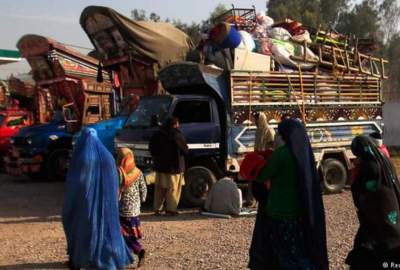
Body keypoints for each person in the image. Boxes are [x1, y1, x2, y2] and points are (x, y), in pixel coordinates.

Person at [253, 118, 329, 270]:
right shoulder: (303, 153)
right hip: (299, 212)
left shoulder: (280, 155)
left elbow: (261, 176)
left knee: (284, 254)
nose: (276, 136)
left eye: (279, 133)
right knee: (297, 250)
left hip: (279, 213)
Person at [62, 128, 132, 270]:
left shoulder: (80, 157)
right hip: (108, 204)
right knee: (108, 229)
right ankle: (110, 258)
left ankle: (83, 258)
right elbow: (114, 181)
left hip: (84, 204)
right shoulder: (107, 156)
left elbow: (75, 184)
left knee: (84, 228)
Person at [346, 135, 400, 269]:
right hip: (389, 210)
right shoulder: (383, 159)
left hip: (378, 216)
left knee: (377, 248)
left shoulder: (370, 166)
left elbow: (363, 191)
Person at [149, 117, 188, 215]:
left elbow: (151, 148)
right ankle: (171, 209)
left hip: (160, 167)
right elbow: (185, 150)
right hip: (174, 168)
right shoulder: (177, 135)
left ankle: (157, 209)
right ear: (175, 124)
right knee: (173, 189)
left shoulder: (157, 134)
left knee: (159, 189)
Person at [116, 147, 147, 268]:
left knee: (124, 234)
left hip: (123, 210)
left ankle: (138, 251)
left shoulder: (119, 173)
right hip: (135, 210)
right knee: (129, 234)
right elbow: (143, 188)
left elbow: (117, 191)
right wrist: (141, 201)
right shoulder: (138, 171)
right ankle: (129, 256)